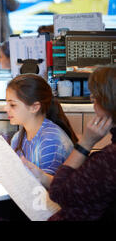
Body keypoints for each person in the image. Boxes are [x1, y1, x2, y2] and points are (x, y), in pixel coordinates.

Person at [23, 66, 116, 221]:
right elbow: (83, 184)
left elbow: (59, 193)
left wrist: (86, 143)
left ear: (107, 103)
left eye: (94, 99)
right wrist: (42, 176)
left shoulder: (108, 159)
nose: (94, 106)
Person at [6, 73, 77, 175]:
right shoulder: (18, 138)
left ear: (35, 107)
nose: (6, 108)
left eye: (12, 105)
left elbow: (48, 187)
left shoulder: (51, 140)